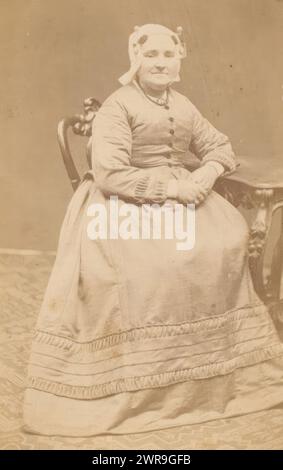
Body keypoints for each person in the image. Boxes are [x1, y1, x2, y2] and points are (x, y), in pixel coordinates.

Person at [23, 23, 283, 437]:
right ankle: (142, 385)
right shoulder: (117, 106)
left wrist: (207, 174)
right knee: (148, 263)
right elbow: (109, 173)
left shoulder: (183, 104)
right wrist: (173, 188)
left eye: (168, 55)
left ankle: (208, 382)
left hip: (186, 196)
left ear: (179, 61)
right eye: (151, 55)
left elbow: (220, 147)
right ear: (135, 60)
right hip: (124, 201)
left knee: (225, 240)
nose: (160, 63)